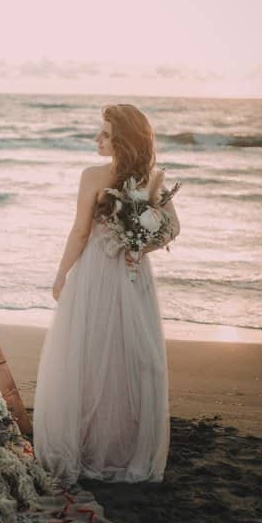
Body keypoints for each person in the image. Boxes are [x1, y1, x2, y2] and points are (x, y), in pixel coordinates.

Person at [34, 103, 178, 484]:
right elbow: (171, 229)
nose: (97, 139)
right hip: (133, 275)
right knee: (128, 359)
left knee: (90, 355)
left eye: (105, 134)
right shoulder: (151, 179)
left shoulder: (93, 176)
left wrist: (61, 273)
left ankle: (91, 447)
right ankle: (124, 450)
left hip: (97, 273)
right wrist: (137, 246)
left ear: (122, 141)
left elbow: (80, 231)